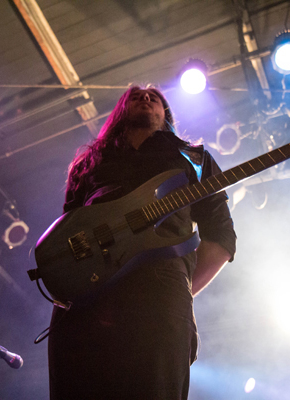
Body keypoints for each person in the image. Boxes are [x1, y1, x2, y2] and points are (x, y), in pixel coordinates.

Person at [47, 86, 237, 399]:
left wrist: (179, 291)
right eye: (135, 95)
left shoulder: (194, 158)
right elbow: (67, 230)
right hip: (85, 300)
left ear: (166, 114)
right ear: (120, 110)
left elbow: (221, 235)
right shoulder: (90, 162)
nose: (145, 97)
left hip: (160, 293)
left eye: (155, 96)